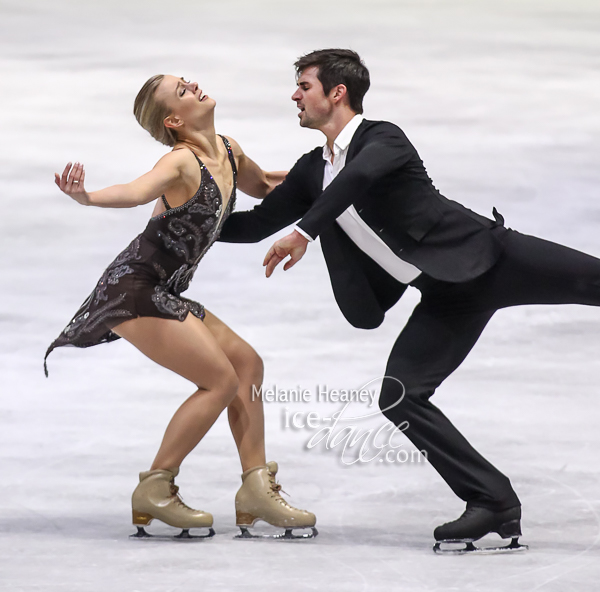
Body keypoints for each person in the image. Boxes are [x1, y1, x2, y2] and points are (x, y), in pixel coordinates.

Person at [219, 48, 600, 553]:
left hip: (490, 256)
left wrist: (306, 232)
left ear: (337, 93)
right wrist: (179, 217)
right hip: (445, 294)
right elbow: (251, 225)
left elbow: (355, 180)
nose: (294, 95)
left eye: (304, 86)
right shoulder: (312, 172)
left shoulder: (383, 138)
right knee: (401, 396)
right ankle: (493, 501)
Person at [45, 74, 317, 540]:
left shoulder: (228, 150)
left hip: (164, 288)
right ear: (174, 120)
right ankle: (155, 487)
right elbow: (135, 190)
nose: (192, 84)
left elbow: (268, 185)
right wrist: (85, 196)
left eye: (187, 80)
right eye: (181, 90)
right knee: (219, 380)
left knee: (246, 365)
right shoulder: (179, 163)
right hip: (132, 288)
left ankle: (255, 488)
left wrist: (337, 173)